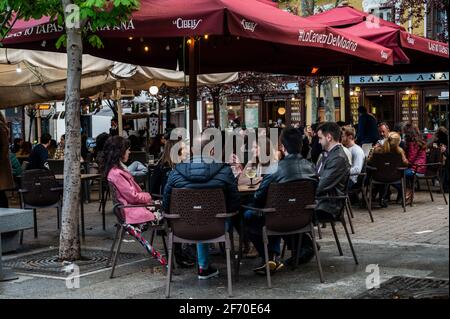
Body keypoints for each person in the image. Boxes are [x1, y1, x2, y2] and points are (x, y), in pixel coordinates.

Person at [163, 135, 240, 280]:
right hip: (218, 226)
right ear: (212, 151)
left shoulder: (176, 172)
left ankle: (203, 267)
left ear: (192, 150)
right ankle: (237, 260)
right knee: (213, 216)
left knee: (197, 214)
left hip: (183, 228)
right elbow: (234, 201)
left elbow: (166, 203)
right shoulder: (225, 171)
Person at [244, 128, 318, 274]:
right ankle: (303, 244)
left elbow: (258, 197)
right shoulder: (312, 168)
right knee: (276, 211)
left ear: (283, 147)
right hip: (304, 218)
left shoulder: (274, 169)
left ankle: (269, 256)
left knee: (247, 215)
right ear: (301, 146)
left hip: (278, 219)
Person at [100, 136, 157, 225]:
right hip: (131, 211)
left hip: (129, 208)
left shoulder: (115, 171)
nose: (129, 152)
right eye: (128, 150)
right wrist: (148, 196)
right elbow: (133, 197)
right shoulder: (117, 174)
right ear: (120, 152)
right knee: (165, 210)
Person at [315, 122, 351, 221]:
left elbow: (321, 186)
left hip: (328, 206)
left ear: (329, 137)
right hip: (325, 201)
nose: (319, 142)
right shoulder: (332, 154)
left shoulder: (337, 158)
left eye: (320, 138)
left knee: (291, 210)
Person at [367, 132, 408, 207]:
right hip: (394, 177)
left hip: (378, 177)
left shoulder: (378, 150)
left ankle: (380, 198)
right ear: (398, 142)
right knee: (389, 173)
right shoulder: (400, 152)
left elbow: (369, 161)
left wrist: (372, 149)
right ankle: (400, 195)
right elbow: (406, 164)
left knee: (383, 172)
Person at [404, 124, 427, 202]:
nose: (404, 135)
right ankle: (408, 191)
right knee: (402, 173)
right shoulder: (419, 141)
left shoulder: (412, 143)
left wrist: (403, 160)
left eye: (405, 133)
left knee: (400, 174)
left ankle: (407, 191)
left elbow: (410, 160)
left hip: (416, 168)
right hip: (420, 167)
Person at [0, 112, 14, 208]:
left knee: (0, 194)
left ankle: (4, 217)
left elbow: (5, 146)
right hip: (2, 165)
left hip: (1, 166)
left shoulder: (0, 127)